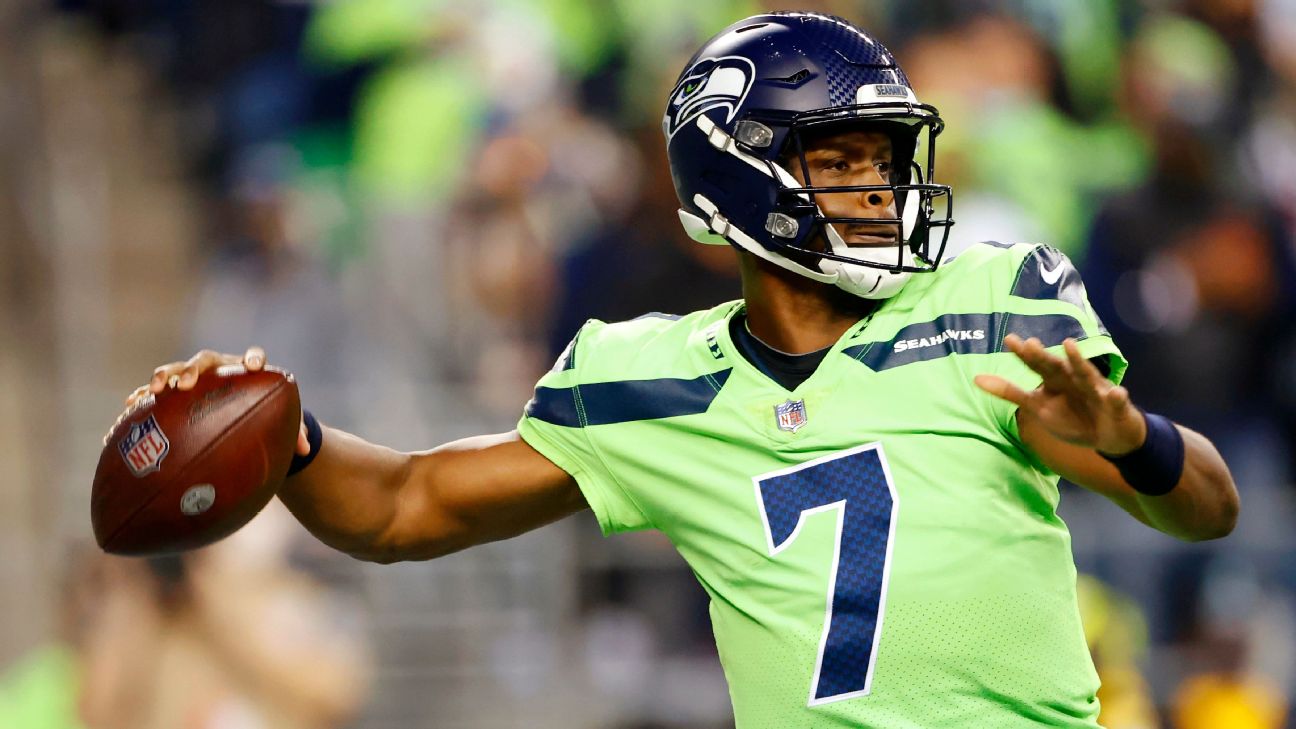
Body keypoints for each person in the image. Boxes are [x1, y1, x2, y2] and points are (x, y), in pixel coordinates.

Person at [122, 12, 1238, 728]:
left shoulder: (989, 300)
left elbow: (1208, 511)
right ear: (737, 189)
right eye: (840, 161)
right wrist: (287, 437)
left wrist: (1132, 443)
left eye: (886, 160)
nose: (882, 191)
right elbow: (406, 505)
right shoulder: (644, 380)